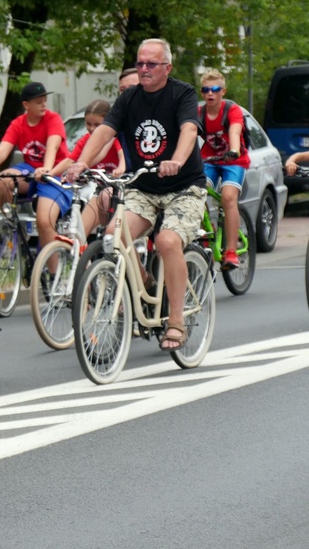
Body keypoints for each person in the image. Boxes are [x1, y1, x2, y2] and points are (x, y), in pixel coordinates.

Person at [67, 38, 206, 352]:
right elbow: (105, 131)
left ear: (167, 68)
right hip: (143, 186)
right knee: (113, 235)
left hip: (183, 187)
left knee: (167, 241)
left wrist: (177, 160)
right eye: (140, 63)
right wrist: (82, 162)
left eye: (151, 64)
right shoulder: (129, 98)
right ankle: (143, 280)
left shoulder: (182, 93)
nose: (144, 69)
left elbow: (189, 130)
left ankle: (176, 322)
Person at [0, 81, 70, 251]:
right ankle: (12, 224)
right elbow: (3, 148)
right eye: (38, 102)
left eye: (45, 100)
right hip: (30, 169)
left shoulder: (53, 119)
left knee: (44, 221)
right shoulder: (18, 123)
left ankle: (49, 265)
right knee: (1, 182)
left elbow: (53, 146)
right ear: (26, 105)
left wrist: (47, 169)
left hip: (55, 172)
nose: (44, 105)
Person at [199, 70, 251, 269]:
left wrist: (234, 150)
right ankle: (207, 230)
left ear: (223, 91)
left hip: (234, 160)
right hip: (210, 159)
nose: (210, 93)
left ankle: (231, 251)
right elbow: (188, 133)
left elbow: (235, 131)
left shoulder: (232, 110)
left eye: (215, 89)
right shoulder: (199, 113)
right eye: (206, 90)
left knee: (228, 197)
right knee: (196, 192)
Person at [63, 99, 125, 236]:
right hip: (100, 188)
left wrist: (121, 168)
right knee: (79, 234)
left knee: (114, 234)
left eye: (97, 125)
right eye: (88, 124)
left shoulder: (115, 137)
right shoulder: (85, 140)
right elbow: (70, 160)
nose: (92, 129)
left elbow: (115, 155)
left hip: (120, 189)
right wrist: (54, 174)